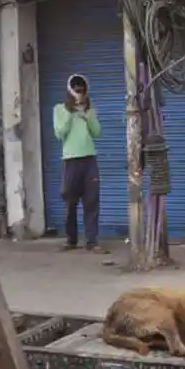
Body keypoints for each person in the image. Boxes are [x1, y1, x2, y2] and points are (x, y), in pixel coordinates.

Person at [53, 74, 108, 254]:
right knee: (70, 202)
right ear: (70, 91)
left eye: (82, 91)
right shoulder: (59, 109)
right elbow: (60, 133)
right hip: (70, 160)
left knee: (92, 201)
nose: (79, 94)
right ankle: (71, 239)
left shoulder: (90, 109)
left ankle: (92, 241)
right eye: (76, 91)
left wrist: (86, 114)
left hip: (89, 159)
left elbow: (97, 132)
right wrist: (71, 112)